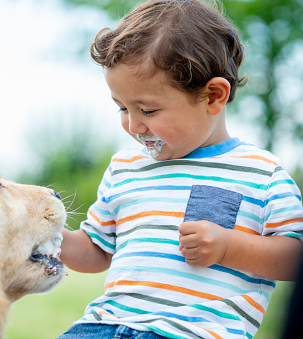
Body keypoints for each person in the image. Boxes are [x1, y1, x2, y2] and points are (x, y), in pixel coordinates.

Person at [58, 0, 303, 338]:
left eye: (148, 109)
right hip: (100, 326)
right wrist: (49, 237)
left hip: (192, 332)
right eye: (122, 108)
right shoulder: (125, 167)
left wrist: (228, 247)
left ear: (213, 96)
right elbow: (97, 250)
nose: (133, 125)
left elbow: (295, 257)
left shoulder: (261, 173)